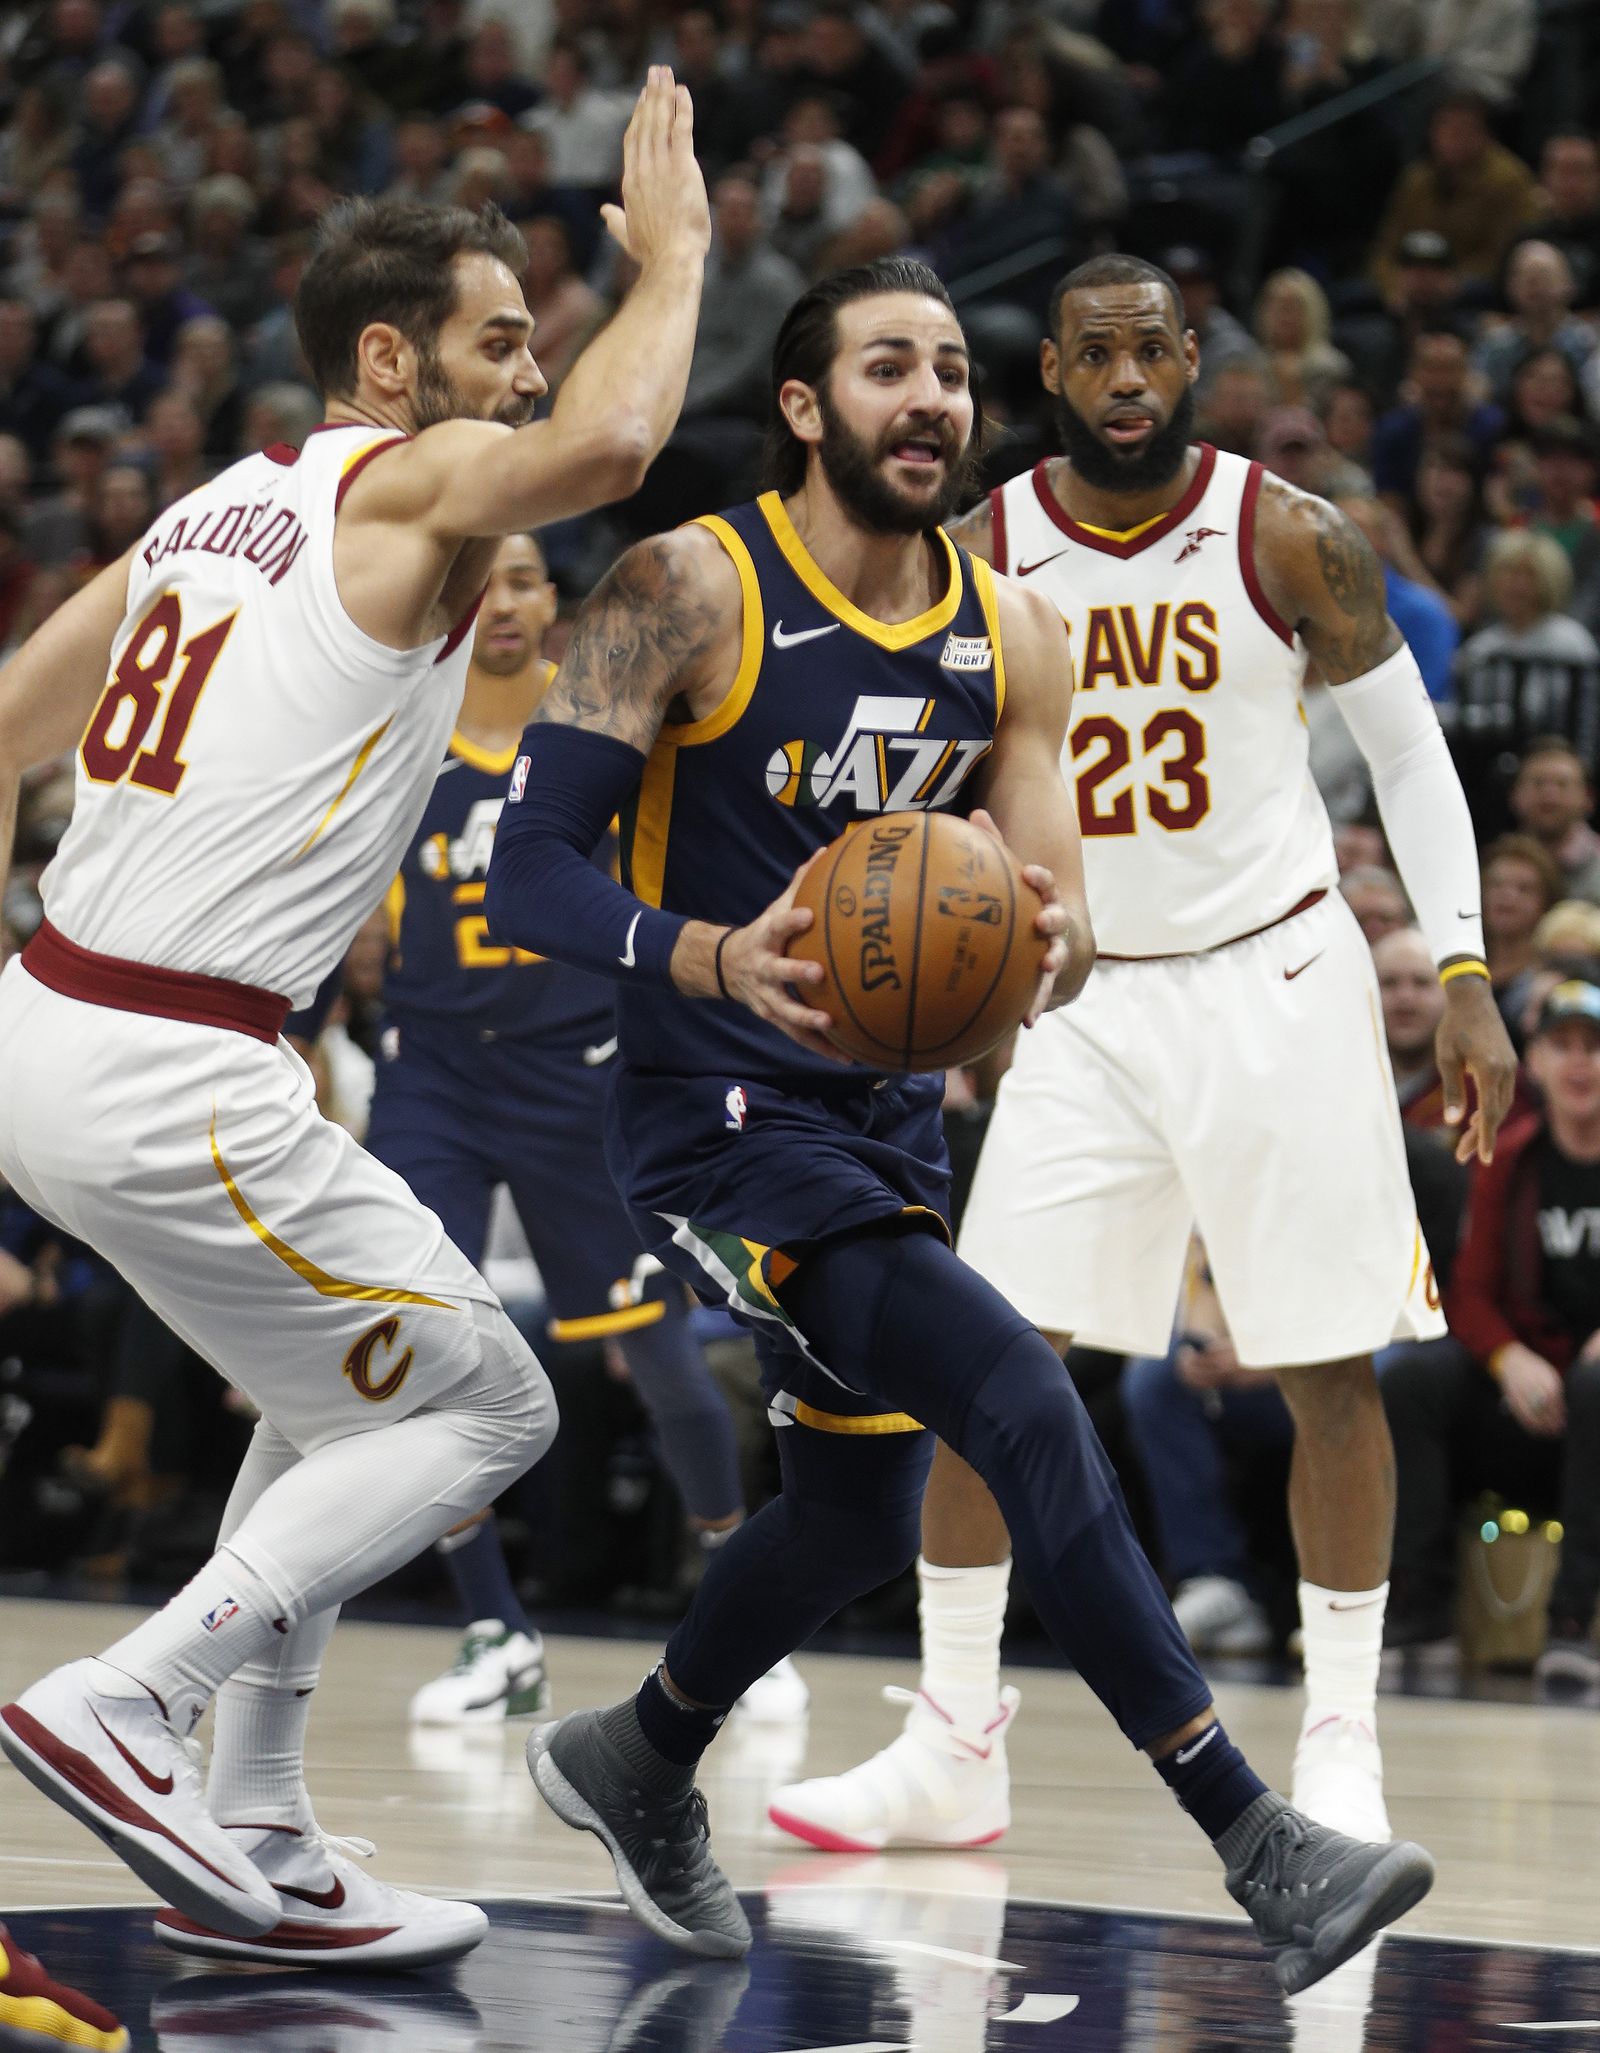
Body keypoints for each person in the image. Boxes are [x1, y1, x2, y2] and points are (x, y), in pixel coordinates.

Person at [485, 255, 1435, 1990]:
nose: (928, 399)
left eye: (947, 372)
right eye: (885, 370)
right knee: (1014, 1395)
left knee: (850, 1519)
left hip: (886, 1124)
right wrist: (702, 948)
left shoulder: (1015, 631)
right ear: (803, 407)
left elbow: (1047, 946)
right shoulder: (684, 587)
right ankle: (1254, 1833)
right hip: (714, 1116)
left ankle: (637, 1752)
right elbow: (524, 866)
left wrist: (1047, 948)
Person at [0, 72, 710, 1969]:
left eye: (536, 347)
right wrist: (686, 251)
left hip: (58, 1022)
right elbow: (624, 437)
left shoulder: (213, 510)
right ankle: (132, 1699)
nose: (530, 381)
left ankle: (260, 1817)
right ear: (385, 362)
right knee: (496, 1395)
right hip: (171, 1059)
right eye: (500, 345)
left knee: (346, 1401)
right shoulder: (401, 485)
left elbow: (4, 725)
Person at [770, 252, 1515, 1859]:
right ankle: (956, 1738)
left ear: (1192, 358)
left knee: (1329, 1362)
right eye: (1095, 355)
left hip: (1280, 975)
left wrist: (1461, 969)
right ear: (1051, 371)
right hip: (1076, 985)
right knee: (988, 1363)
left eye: (1152, 351)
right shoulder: (982, 546)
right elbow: (905, 759)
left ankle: (1340, 1734)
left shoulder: (1293, 535)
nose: (1126, 379)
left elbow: (1414, 761)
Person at [355, 530, 799, 1728]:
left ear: (556, 602)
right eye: (481, 580)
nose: (502, 600)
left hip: (578, 1076)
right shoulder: (401, 736)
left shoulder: (602, 730)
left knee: (652, 1352)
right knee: (412, 1343)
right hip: (433, 1076)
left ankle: (734, 1598)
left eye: (525, 579)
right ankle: (494, 1626)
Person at [1384, 976, 1600, 1685]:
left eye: (1594, 1047)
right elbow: (1468, 1292)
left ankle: (1574, 1620)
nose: (1579, 1063)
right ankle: (1422, 1610)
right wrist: (1508, 1358)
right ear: (1533, 1061)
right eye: (1562, 1045)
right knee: (1414, 1379)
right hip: (1526, 1388)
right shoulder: (1508, 1157)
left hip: (1592, 1395)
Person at [1508, 736, 1600, 904]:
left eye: (1562, 784)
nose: (1550, 795)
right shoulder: (1495, 868)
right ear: (1515, 795)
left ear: (1588, 799)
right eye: (1538, 783)